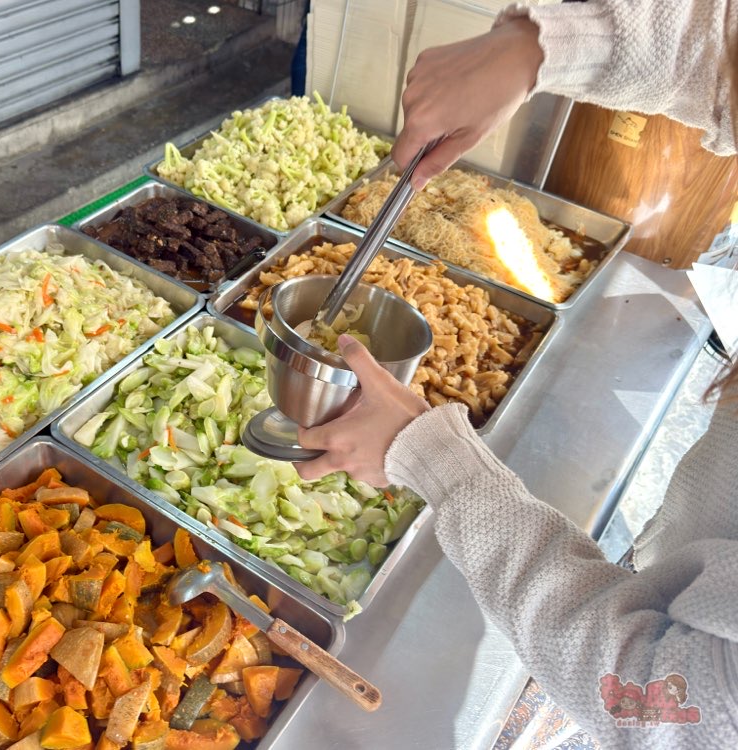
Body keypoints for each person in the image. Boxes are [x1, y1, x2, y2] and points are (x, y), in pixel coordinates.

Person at [296, 2, 738, 747]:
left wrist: (431, 459)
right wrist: (532, 48)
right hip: (689, 562)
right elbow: (717, 50)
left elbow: (665, 699)